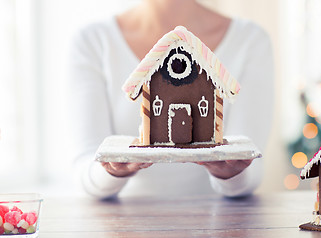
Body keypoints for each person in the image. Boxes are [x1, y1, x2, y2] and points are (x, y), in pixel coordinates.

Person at [68, 0, 273, 199]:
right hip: (121, 225)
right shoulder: (92, 41)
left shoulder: (250, 39)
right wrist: (113, 168)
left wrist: (231, 173)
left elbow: (252, 165)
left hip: (219, 225)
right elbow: (86, 169)